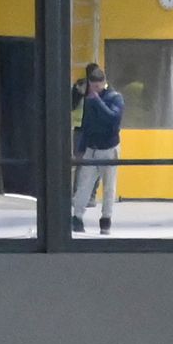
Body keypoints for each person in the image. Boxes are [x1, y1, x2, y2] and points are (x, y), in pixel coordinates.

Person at [70, 64, 123, 233]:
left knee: (109, 186)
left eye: (98, 86)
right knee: (83, 184)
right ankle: (77, 217)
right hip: (91, 147)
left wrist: (98, 101)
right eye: (93, 87)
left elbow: (113, 119)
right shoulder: (89, 99)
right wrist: (81, 148)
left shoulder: (115, 97)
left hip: (109, 147)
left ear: (104, 83)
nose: (95, 90)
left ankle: (106, 218)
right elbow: (86, 124)